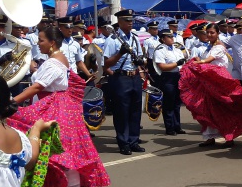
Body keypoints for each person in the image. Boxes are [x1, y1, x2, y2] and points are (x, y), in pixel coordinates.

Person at [8, 26, 110, 187]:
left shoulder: (53, 62)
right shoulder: (54, 59)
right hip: (55, 104)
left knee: (58, 148)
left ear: (52, 42)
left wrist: (12, 102)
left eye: (41, 40)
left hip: (54, 106)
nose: (38, 44)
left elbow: (38, 86)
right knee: (56, 146)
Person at [181, 23, 242, 147]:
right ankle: (210, 136)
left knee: (223, 110)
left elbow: (209, 60)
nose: (209, 35)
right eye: (207, 32)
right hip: (209, 83)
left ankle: (229, 138)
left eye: (212, 32)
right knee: (208, 109)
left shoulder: (219, 47)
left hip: (220, 83)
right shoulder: (209, 46)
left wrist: (200, 62)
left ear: (218, 34)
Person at [103, 9, 147, 156]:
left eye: (131, 20)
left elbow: (141, 57)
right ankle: (123, 143)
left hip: (134, 77)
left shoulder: (134, 38)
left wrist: (141, 62)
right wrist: (120, 53)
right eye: (127, 21)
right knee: (121, 111)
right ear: (120, 22)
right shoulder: (112, 40)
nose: (130, 23)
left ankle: (134, 141)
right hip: (120, 78)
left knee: (135, 110)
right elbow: (106, 64)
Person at [153, 29, 187, 136]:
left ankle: (177, 126)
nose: (172, 38)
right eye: (169, 37)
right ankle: (169, 127)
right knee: (169, 104)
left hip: (178, 76)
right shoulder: (160, 50)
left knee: (177, 103)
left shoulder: (177, 49)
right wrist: (176, 63)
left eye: (172, 36)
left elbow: (184, 60)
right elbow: (162, 67)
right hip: (168, 77)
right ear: (163, 39)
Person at [57, 17, 93, 82]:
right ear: (60, 28)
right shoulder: (56, 43)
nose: (70, 30)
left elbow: (79, 62)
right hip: (61, 78)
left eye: (71, 27)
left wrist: (88, 74)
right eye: (67, 27)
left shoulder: (75, 43)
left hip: (73, 77)